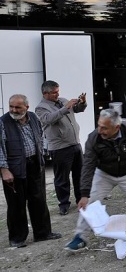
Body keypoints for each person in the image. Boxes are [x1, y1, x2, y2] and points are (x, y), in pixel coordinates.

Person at [65, 108, 126, 251]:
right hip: (104, 173)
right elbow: (88, 166)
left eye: (104, 128)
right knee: (89, 202)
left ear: (116, 127)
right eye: (99, 125)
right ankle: (80, 237)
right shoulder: (93, 138)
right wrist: (85, 194)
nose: (100, 130)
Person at [0, 94, 62, 248]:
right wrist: (4, 170)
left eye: (17, 107)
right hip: (14, 168)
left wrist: (43, 154)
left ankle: (42, 233)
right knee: (16, 204)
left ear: (26, 107)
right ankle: (17, 238)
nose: (13, 110)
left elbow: (40, 135)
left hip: (34, 164)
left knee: (39, 200)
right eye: (11, 107)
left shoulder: (33, 117)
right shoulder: (3, 122)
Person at [35, 80, 87, 216]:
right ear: (45, 93)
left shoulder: (63, 100)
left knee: (79, 175)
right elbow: (49, 119)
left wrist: (82, 103)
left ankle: (81, 200)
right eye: (54, 93)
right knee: (62, 178)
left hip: (75, 143)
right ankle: (64, 204)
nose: (57, 94)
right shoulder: (41, 108)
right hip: (59, 148)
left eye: (58, 91)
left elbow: (78, 110)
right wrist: (65, 107)